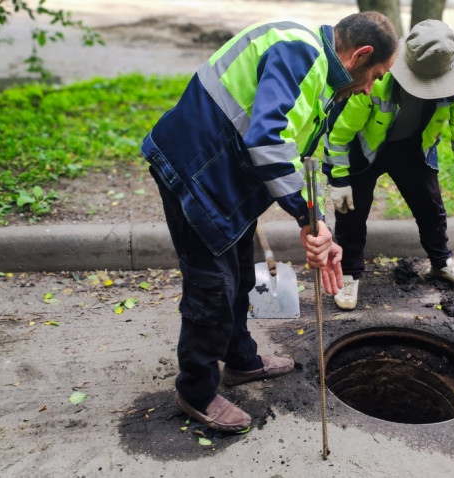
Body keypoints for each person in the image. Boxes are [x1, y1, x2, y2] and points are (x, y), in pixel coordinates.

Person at [139, 12, 397, 432]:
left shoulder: (322, 75)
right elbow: (268, 140)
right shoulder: (301, 52)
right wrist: (307, 215)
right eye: (376, 75)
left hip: (225, 179)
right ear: (361, 55)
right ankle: (196, 391)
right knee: (212, 287)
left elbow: (297, 154)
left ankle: (240, 360)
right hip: (195, 171)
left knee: (240, 275)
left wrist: (314, 221)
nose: (371, 88)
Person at [323, 19, 454, 310]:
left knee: (430, 206)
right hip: (365, 148)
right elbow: (340, 131)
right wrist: (339, 179)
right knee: (352, 212)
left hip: (412, 147)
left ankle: (440, 262)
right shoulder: (379, 77)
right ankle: (350, 272)